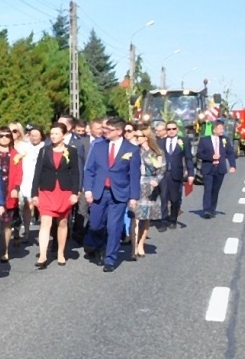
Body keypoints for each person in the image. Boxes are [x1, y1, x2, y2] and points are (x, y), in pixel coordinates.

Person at [81, 113, 143, 271]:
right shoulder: (98, 146)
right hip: (99, 192)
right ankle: (99, 247)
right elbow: (89, 170)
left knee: (113, 226)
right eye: (104, 128)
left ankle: (110, 259)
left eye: (108, 129)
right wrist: (88, 190)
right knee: (95, 225)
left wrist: (134, 196)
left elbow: (134, 175)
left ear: (119, 131)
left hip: (119, 193)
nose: (105, 131)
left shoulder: (132, 150)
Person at [30, 122, 80, 267]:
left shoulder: (72, 151)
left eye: (57, 133)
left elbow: (76, 173)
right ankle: (43, 255)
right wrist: (34, 193)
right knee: (45, 222)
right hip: (46, 190)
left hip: (64, 191)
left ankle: (60, 252)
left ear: (63, 135)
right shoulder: (44, 151)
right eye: (51, 134)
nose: (53, 136)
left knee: (62, 223)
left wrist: (75, 193)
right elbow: (37, 172)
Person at [129, 126, 165, 258]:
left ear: (146, 137)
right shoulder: (133, 151)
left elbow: (162, 169)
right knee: (135, 217)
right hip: (135, 185)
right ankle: (133, 246)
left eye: (138, 136)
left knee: (146, 218)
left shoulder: (156, 152)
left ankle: (141, 244)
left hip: (149, 187)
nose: (136, 139)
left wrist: (157, 179)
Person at [0, 129, 23, 263]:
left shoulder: (16, 155)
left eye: (7, 136)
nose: (4, 139)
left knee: (6, 222)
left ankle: (4, 250)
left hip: (9, 192)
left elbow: (19, 173)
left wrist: (16, 188)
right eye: (1, 136)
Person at [195, 119, 237, 218]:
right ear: (214, 130)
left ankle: (212, 209)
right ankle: (206, 210)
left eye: (222, 129)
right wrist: (210, 157)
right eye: (220, 129)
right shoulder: (204, 140)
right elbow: (199, 154)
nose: (222, 130)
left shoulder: (225, 140)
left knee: (215, 190)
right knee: (208, 189)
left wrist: (232, 166)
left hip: (220, 169)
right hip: (208, 168)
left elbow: (230, 153)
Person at [158, 120, 192, 228]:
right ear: (166, 130)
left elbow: (188, 158)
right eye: (169, 129)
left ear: (177, 129)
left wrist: (191, 173)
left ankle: (173, 219)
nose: (171, 131)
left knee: (174, 198)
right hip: (163, 173)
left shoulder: (184, 141)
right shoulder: (160, 142)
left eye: (173, 129)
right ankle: (163, 220)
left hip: (176, 173)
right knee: (163, 197)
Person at [16, 125, 45, 245]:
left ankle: (44, 233)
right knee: (27, 207)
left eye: (36, 135)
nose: (34, 138)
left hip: (42, 181)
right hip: (27, 180)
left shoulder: (45, 147)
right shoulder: (24, 146)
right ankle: (26, 232)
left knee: (43, 209)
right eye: (32, 135)